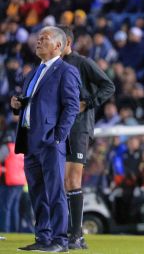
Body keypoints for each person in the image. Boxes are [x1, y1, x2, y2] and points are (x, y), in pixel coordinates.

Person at [10, 26, 80, 252]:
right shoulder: (33, 72)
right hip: (30, 140)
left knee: (55, 191)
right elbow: (32, 102)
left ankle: (60, 240)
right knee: (38, 192)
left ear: (58, 45)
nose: (38, 42)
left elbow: (71, 106)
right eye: (38, 38)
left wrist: (59, 136)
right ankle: (43, 238)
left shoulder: (66, 71)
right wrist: (18, 104)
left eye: (44, 39)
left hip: (51, 140)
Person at [57, 25, 115, 249]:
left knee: (72, 180)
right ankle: (63, 232)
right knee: (60, 181)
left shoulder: (83, 63)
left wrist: (88, 103)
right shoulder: (52, 67)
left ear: (68, 43)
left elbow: (108, 86)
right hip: (58, 128)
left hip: (79, 127)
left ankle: (76, 235)